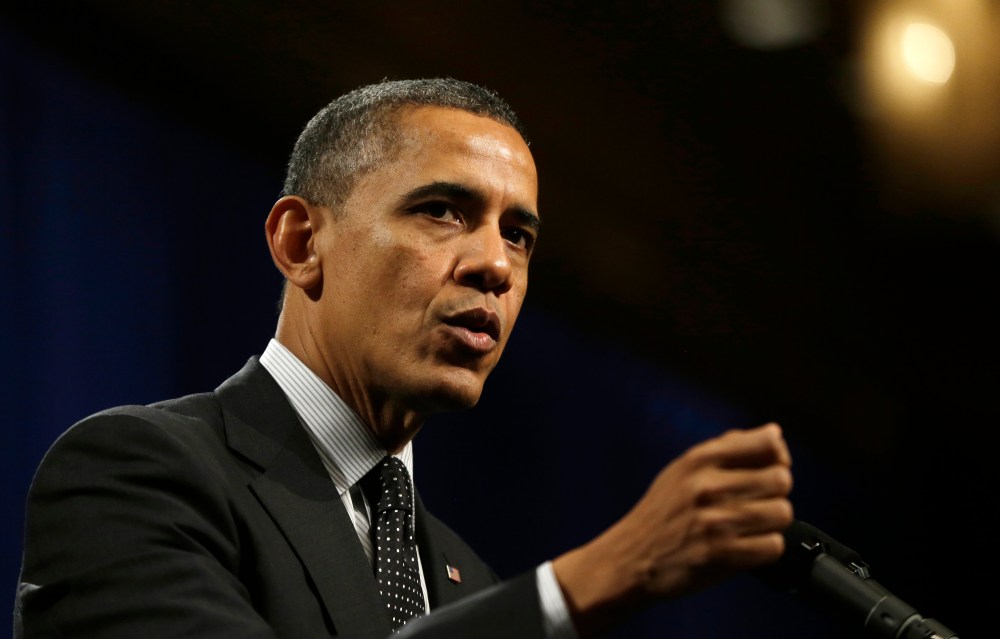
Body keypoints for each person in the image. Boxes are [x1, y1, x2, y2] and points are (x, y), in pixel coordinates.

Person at [14, 78, 794, 638]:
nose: (496, 264)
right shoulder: (134, 475)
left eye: (517, 234)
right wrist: (584, 583)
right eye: (443, 210)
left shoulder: (468, 579)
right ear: (301, 242)